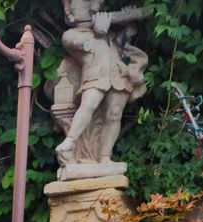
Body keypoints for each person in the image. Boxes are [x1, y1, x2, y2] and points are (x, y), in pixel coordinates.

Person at [54, 0, 148, 167]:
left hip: (118, 73)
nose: (93, 8)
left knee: (114, 114)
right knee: (88, 105)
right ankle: (70, 142)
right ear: (70, 14)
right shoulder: (70, 35)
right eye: (84, 5)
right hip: (95, 75)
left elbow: (118, 45)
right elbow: (84, 45)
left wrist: (126, 27)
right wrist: (99, 31)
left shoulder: (108, 31)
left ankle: (105, 157)